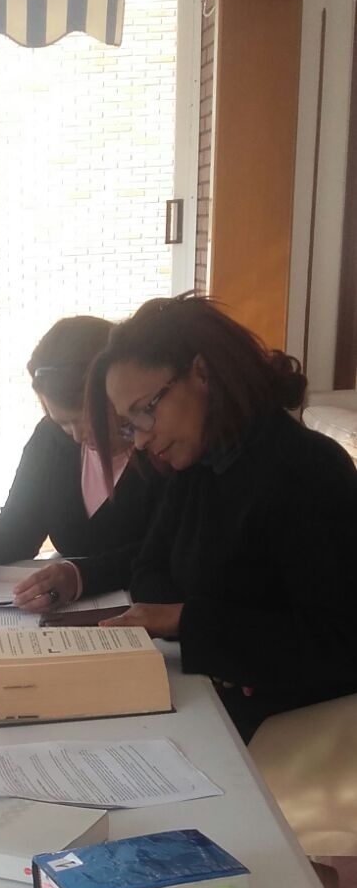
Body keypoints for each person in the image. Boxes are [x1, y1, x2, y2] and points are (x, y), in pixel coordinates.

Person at [89, 294, 357, 741]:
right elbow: (147, 570)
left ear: (202, 373)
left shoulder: (305, 470)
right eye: (129, 424)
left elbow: (338, 641)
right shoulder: (199, 464)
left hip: (295, 728)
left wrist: (189, 622)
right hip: (212, 697)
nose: (140, 440)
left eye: (146, 409)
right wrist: (208, 633)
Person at [0, 315, 164, 611]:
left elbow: (165, 551)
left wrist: (80, 576)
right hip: (67, 617)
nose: (77, 436)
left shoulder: (162, 448)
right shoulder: (51, 439)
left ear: (115, 394)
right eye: (63, 423)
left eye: (84, 419)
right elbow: (21, 527)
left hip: (148, 616)